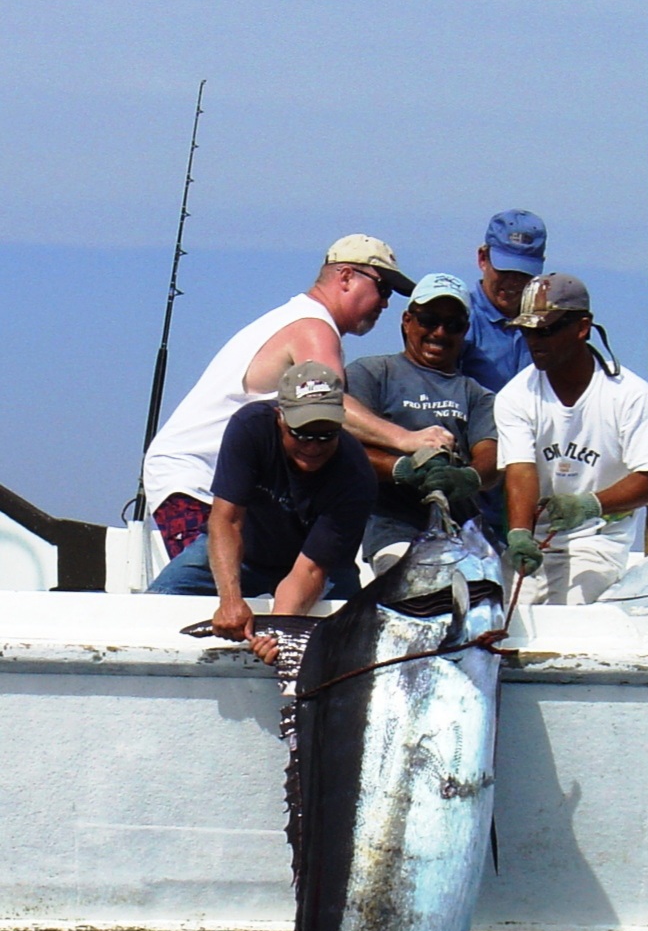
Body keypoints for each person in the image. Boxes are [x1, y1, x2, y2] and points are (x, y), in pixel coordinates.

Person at [142, 234, 454, 560]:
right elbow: (331, 403)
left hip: (214, 483)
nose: (386, 303)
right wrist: (409, 440)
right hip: (193, 479)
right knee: (212, 585)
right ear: (346, 276)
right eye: (382, 288)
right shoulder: (313, 328)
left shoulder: (294, 318)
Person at [147, 361, 376, 662]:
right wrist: (230, 600)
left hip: (318, 566)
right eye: (302, 433)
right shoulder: (250, 427)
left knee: (352, 642)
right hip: (245, 551)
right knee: (150, 610)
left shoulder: (356, 474)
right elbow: (226, 521)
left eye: (326, 435)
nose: (313, 446)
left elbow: (309, 569)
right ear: (280, 417)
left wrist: (279, 631)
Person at [494, 273, 648, 606]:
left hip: (598, 540)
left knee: (568, 611)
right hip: (535, 544)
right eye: (527, 330)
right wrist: (519, 535)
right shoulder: (514, 397)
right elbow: (520, 471)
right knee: (503, 614)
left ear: (582, 328)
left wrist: (589, 505)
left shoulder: (630, 395)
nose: (535, 340)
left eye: (546, 330)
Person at [346, 273, 499, 574]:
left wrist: (467, 477)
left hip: (462, 537)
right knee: (413, 592)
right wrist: (403, 469)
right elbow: (345, 450)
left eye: (453, 325)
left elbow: (491, 460)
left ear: (465, 330)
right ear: (407, 320)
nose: (440, 332)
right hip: (393, 529)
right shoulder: (372, 373)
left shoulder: (476, 394)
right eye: (429, 319)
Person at [460, 210, 547, 394]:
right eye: (505, 270)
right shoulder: (459, 319)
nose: (513, 281)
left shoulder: (548, 326)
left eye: (524, 273)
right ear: (483, 258)